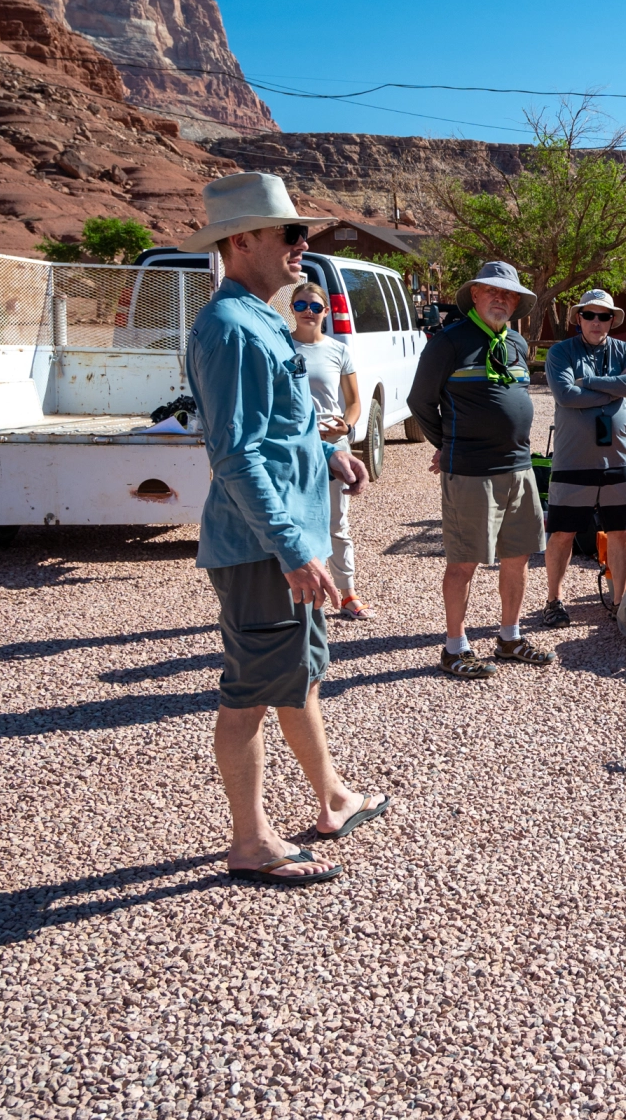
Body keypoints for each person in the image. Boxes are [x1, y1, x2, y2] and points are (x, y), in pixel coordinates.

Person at [180, 173, 385, 886]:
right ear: (242, 241)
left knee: (295, 677)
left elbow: (275, 428)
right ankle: (251, 841)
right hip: (266, 551)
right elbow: (233, 452)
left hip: (286, 544)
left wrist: (329, 452)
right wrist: (294, 547)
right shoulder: (233, 328)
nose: (304, 245)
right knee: (248, 693)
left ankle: (333, 798)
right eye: (289, 233)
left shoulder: (263, 320)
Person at [407, 260, 555, 679]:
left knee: (518, 555)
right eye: (493, 291)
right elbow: (420, 403)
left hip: (520, 468)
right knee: (464, 561)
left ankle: (509, 637)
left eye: (508, 294)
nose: (501, 299)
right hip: (471, 472)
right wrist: (448, 445)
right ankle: (455, 647)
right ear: (475, 294)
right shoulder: (449, 342)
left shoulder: (516, 345)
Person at [540, 288, 626, 628]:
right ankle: (553, 601)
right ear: (578, 318)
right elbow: (566, 394)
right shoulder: (560, 352)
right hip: (573, 462)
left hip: (618, 460)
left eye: (604, 316)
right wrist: (615, 389)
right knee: (562, 534)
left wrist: (593, 382)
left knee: (619, 532)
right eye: (590, 315)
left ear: (612, 320)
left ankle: (620, 602)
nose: (597, 322)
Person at [287, 280, 371, 620]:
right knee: (295, 517)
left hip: (333, 444)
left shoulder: (338, 350)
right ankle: (300, 591)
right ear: (291, 309)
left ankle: (347, 591)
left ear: (327, 311)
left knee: (337, 520)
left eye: (315, 306)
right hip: (294, 445)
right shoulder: (282, 348)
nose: (309, 312)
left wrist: (347, 428)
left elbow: (353, 403)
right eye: (301, 305)